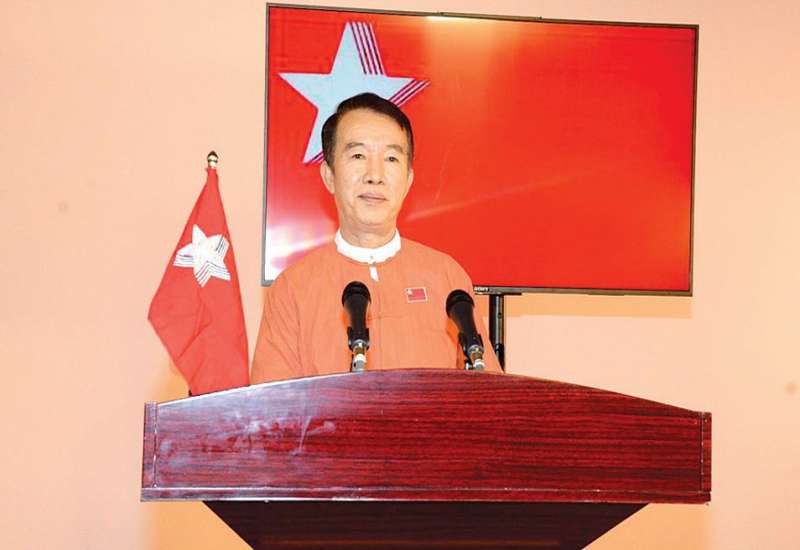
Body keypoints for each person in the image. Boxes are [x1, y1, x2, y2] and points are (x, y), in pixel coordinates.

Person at [251, 93, 501, 383]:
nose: (375, 175)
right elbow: (272, 405)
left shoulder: (447, 277)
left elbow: (489, 393)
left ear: (408, 180)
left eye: (391, 158)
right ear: (329, 176)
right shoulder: (293, 288)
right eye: (358, 156)